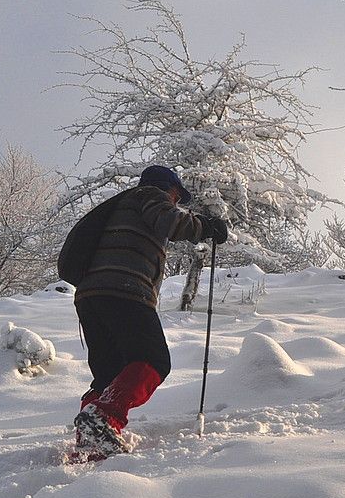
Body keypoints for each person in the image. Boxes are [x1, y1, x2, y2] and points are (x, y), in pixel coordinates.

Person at [69, 165, 228, 457]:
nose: (177, 203)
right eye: (177, 198)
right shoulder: (150, 195)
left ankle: (90, 440)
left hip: (91, 296)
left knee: (109, 373)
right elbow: (168, 220)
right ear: (170, 190)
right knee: (154, 360)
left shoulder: (123, 207)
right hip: (125, 288)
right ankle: (103, 418)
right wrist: (205, 226)